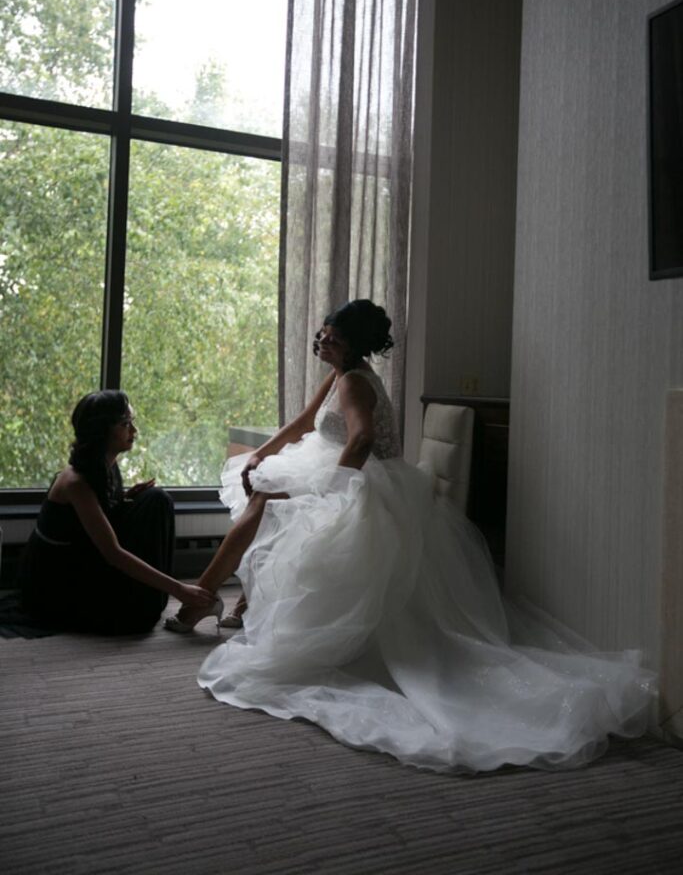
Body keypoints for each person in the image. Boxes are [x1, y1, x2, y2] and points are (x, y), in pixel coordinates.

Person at [165, 300, 656, 773]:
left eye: (332, 337)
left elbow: (361, 440)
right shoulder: (340, 374)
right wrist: (261, 452)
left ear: (353, 343)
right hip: (339, 464)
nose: (322, 341)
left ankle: (202, 598)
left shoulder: (354, 382)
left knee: (263, 501)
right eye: (322, 334)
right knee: (263, 487)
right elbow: (302, 422)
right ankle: (221, 599)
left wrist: (333, 492)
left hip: (364, 480)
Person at [20, 390, 217, 635]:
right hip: (60, 581)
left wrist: (124, 498)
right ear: (102, 431)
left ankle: (150, 598)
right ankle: (147, 601)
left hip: (85, 558)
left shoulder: (105, 465)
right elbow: (113, 553)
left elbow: (101, 513)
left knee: (157, 500)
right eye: (125, 424)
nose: (134, 430)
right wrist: (179, 589)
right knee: (136, 620)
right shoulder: (75, 483)